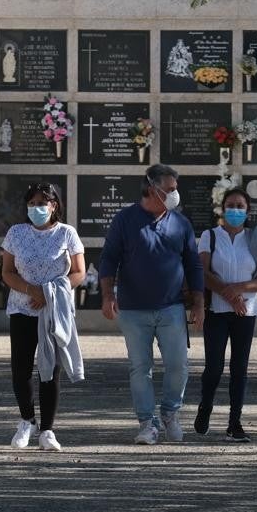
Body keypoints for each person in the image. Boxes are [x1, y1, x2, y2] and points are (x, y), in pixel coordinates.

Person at [99, 164, 205, 445]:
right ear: (151, 188)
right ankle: (148, 423)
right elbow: (109, 259)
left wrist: (198, 301)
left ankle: (171, 412)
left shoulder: (180, 223)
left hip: (171, 307)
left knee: (178, 365)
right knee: (140, 367)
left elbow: (193, 263)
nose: (174, 194)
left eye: (175, 189)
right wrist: (108, 295)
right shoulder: (125, 219)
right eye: (170, 189)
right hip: (133, 309)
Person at [0, 183, 87, 452]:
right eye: (32, 203)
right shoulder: (16, 233)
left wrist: (48, 294)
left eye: (42, 203)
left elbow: (79, 272)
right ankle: (27, 420)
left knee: (50, 369)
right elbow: (7, 272)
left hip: (54, 310)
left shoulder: (67, 234)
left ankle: (48, 430)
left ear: (54, 205)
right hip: (23, 308)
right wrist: (31, 290)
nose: (37, 208)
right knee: (21, 370)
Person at [194, 188, 257, 442]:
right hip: (217, 311)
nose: (235, 210)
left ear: (248, 210)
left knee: (240, 368)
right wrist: (229, 295)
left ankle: (234, 422)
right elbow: (203, 272)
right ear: (222, 208)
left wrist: (238, 290)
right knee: (214, 367)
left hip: (246, 311)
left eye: (240, 205)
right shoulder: (210, 236)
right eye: (231, 205)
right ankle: (205, 407)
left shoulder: (256, 238)